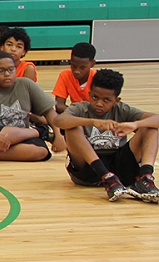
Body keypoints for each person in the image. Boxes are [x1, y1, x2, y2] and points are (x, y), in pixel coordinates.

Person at [54, 69, 159, 202]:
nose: (99, 103)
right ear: (89, 93)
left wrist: (136, 124)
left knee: (150, 127)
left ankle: (145, 178)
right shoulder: (81, 109)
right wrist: (93, 121)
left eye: (106, 100)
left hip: (119, 166)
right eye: (95, 97)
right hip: (89, 170)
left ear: (116, 100)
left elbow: (156, 118)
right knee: (72, 127)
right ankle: (107, 177)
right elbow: (58, 121)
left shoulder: (122, 109)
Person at [54, 42, 98, 114]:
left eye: (82, 68)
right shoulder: (65, 75)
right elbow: (59, 105)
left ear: (92, 64)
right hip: (74, 114)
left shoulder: (98, 78)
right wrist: (76, 113)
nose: (77, 71)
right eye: (73, 66)